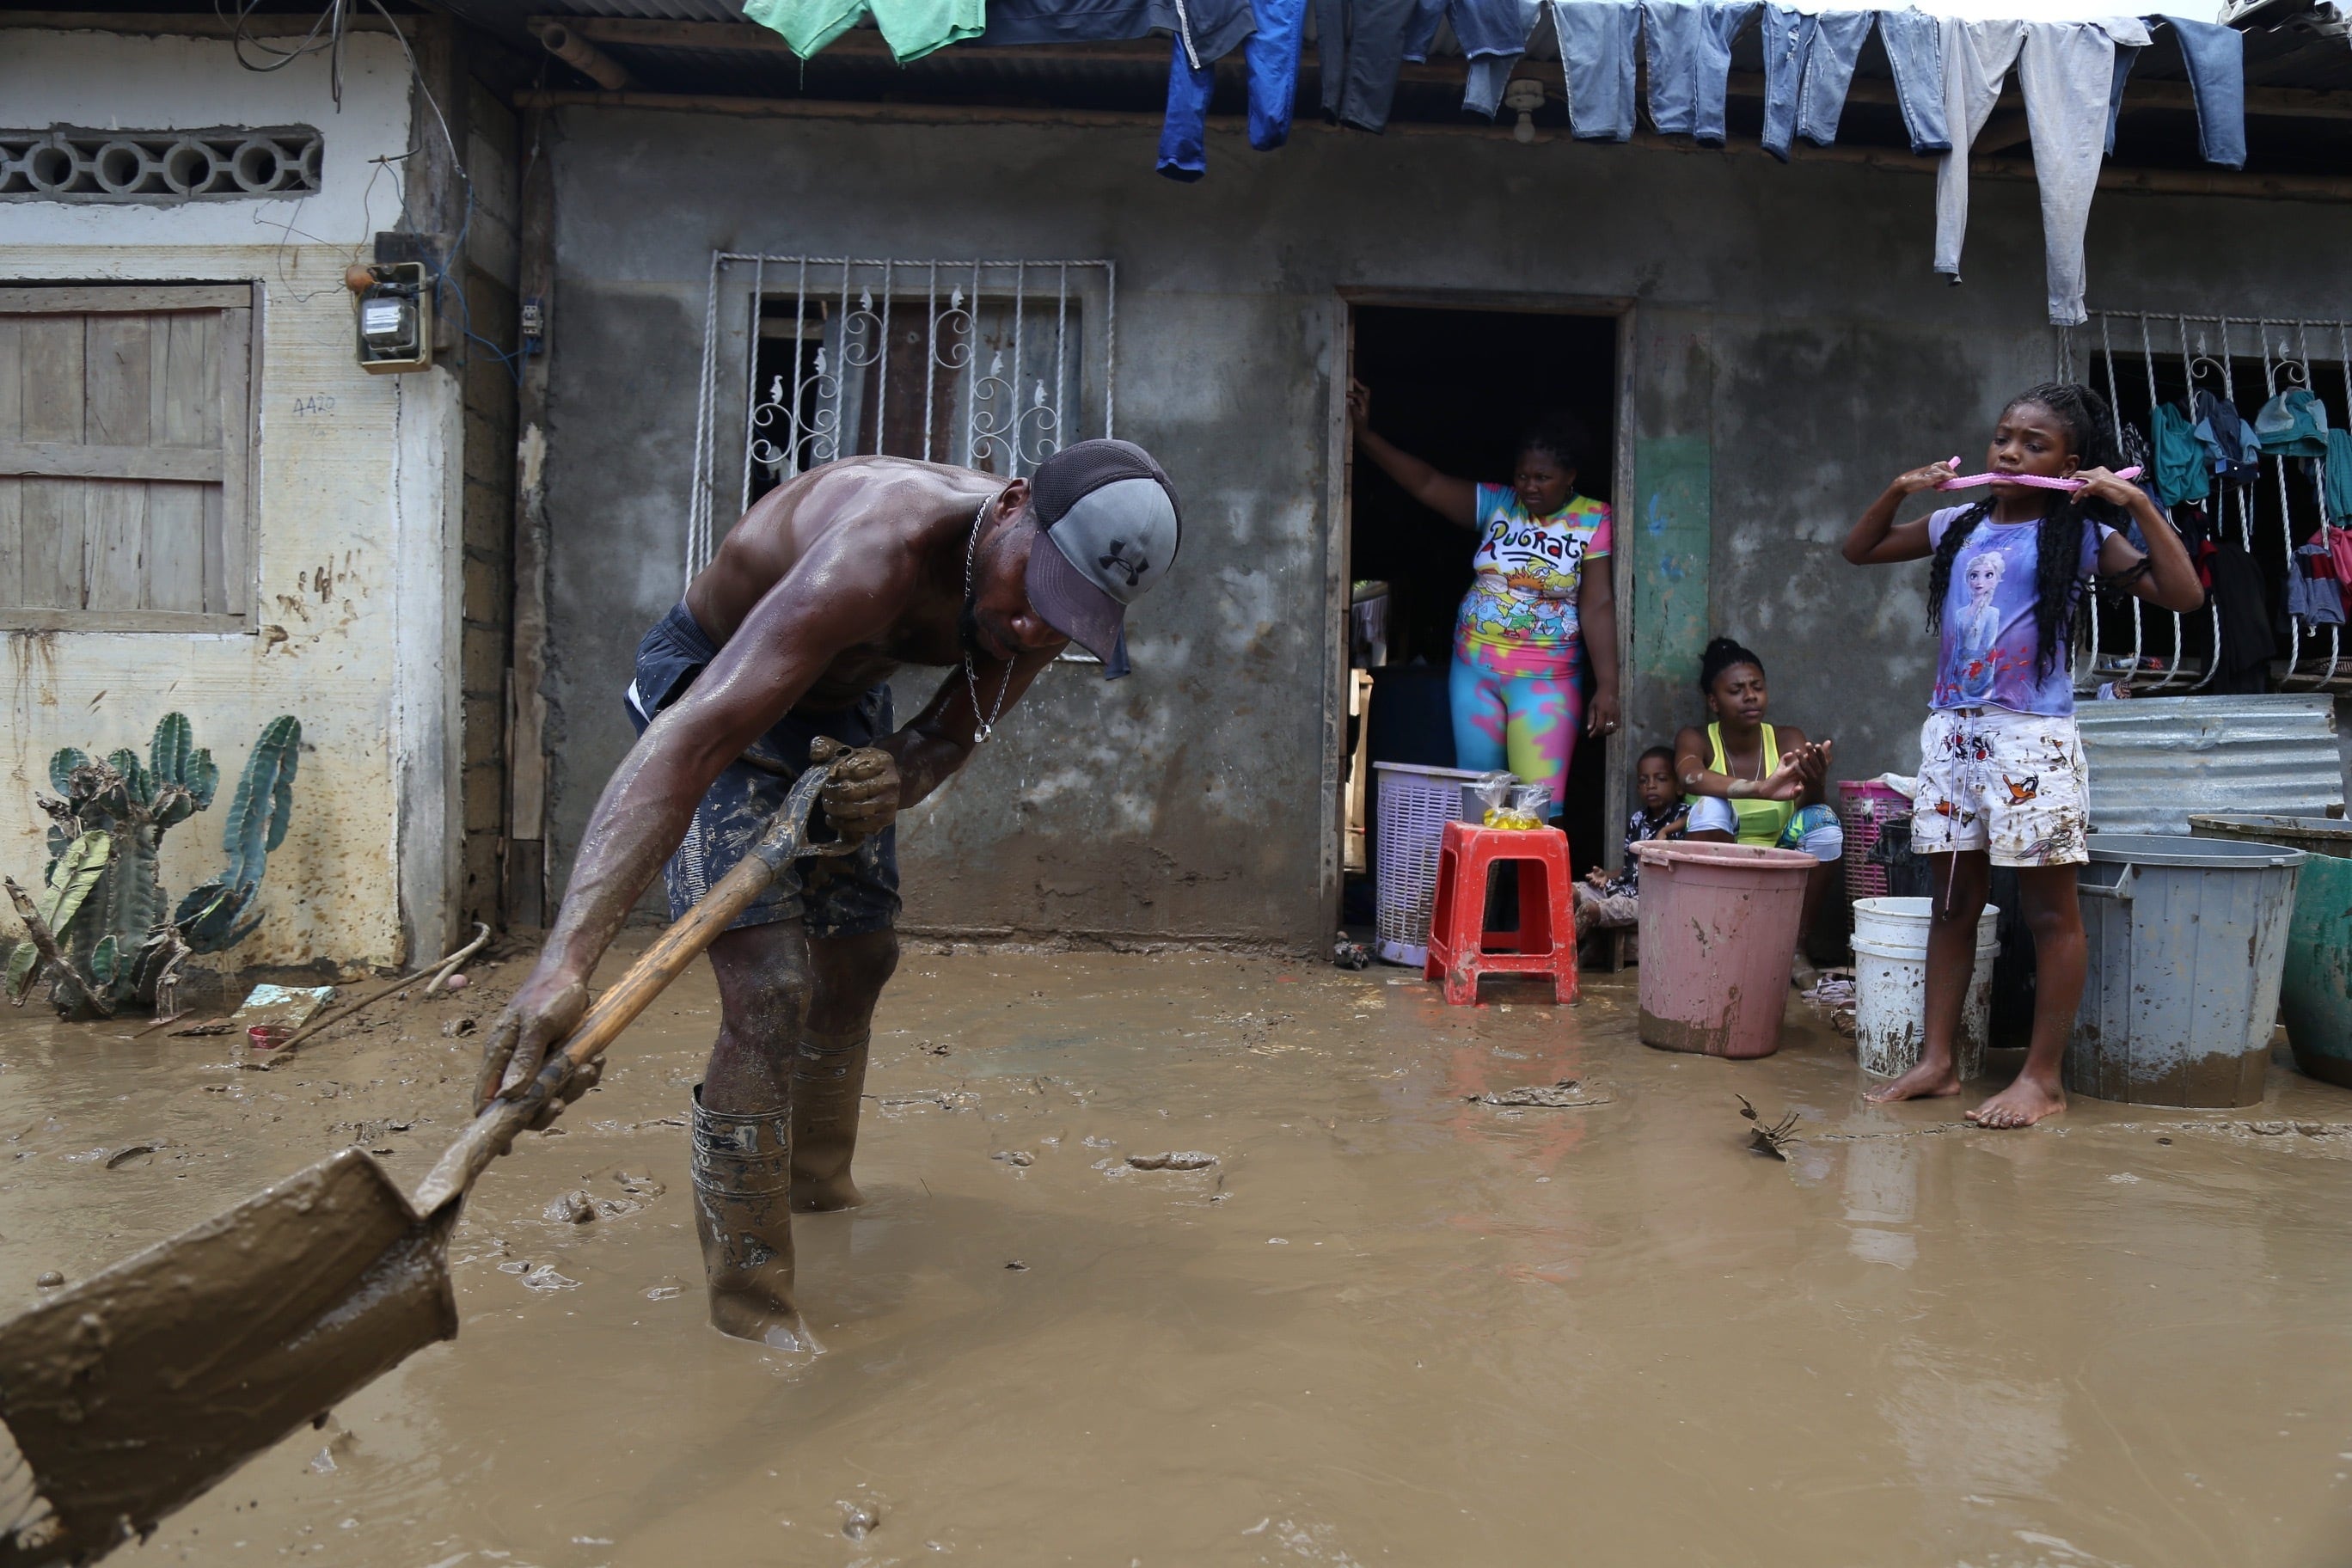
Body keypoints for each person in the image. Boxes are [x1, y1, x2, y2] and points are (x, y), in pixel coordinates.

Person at [478, 440, 1181, 1346]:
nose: (1035, 627)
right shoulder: (879, 549)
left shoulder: (1038, 604)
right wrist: (564, 964)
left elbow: (945, 737)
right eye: (1036, 594)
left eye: (1069, 617)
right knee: (770, 988)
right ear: (1012, 505)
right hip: (711, 687)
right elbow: (689, 745)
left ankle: (814, 1184)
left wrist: (894, 775)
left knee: (861, 956)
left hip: (840, 706)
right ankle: (751, 1307)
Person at [1841, 382, 2202, 1128]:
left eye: (2034, 445)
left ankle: (2043, 1080)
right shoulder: (1955, 523)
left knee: (2047, 913)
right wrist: (1898, 490)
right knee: (1951, 905)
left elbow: (2184, 595)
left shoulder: (2083, 536)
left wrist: (2135, 503)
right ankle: (1938, 1063)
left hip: (2031, 741)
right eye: (2004, 436)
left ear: (2070, 465)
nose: (2009, 452)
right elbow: (1861, 549)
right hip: (1952, 736)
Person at [1344, 381, 1621, 817]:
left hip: (1546, 683)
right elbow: (1427, 483)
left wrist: (1608, 685)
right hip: (1475, 672)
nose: (1529, 487)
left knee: (1536, 808)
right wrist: (1364, 437)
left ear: (1570, 476)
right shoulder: (1497, 503)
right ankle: (1482, 865)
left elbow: (1598, 604)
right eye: (1523, 476)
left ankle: (1529, 865)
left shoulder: (1593, 518)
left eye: (1543, 478)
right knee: (1478, 801)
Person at [1673, 638, 1845, 986]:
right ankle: (1714, 941)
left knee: (1825, 822)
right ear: (1713, 701)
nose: (1750, 697)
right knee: (1710, 807)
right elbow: (1688, 775)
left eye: (1757, 687)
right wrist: (1760, 788)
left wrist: (1816, 781)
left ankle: (1794, 949)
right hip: (1720, 870)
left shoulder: (1786, 739)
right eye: (1736, 690)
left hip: (1779, 865)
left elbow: (1808, 806)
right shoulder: (1697, 739)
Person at [1574, 745, 1687, 931]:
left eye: (1661, 779)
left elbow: (1701, 814)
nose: (1651, 785)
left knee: (1590, 910)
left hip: (1650, 900)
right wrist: (1606, 875)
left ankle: (1566, 949)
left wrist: (1666, 830)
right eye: (1644, 780)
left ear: (1679, 786)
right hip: (1621, 889)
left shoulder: (1683, 816)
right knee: (1568, 892)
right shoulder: (1637, 820)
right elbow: (1630, 868)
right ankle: (1572, 945)